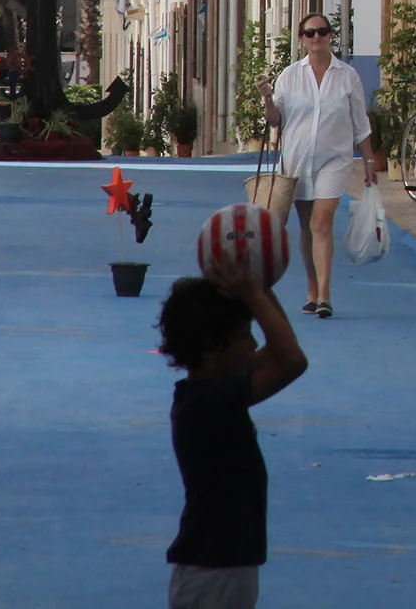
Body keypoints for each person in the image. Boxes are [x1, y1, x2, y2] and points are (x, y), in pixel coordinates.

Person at [157, 243, 307, 609]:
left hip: (219, 566)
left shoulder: (206, 392)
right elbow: (291, 360)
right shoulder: (209, 404)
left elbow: (279, 351)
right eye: (244, 335)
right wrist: (255, 293)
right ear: (212, 348)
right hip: (215, 571)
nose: (254, 342)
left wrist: (262, 289)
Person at [260, 13, 381, 318]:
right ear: (301, 39)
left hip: (334, 160)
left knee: (321, 221)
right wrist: (266, 100)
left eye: (322, 32)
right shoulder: (289, 76)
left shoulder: (347, 76)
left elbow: (360, 123)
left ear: (330, 36)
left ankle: (325, 295)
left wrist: (368, 161)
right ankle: (312, 291)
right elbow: (276, 121)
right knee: (305, 227)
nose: (316, 38)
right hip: (297, 160)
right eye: (310, 33)